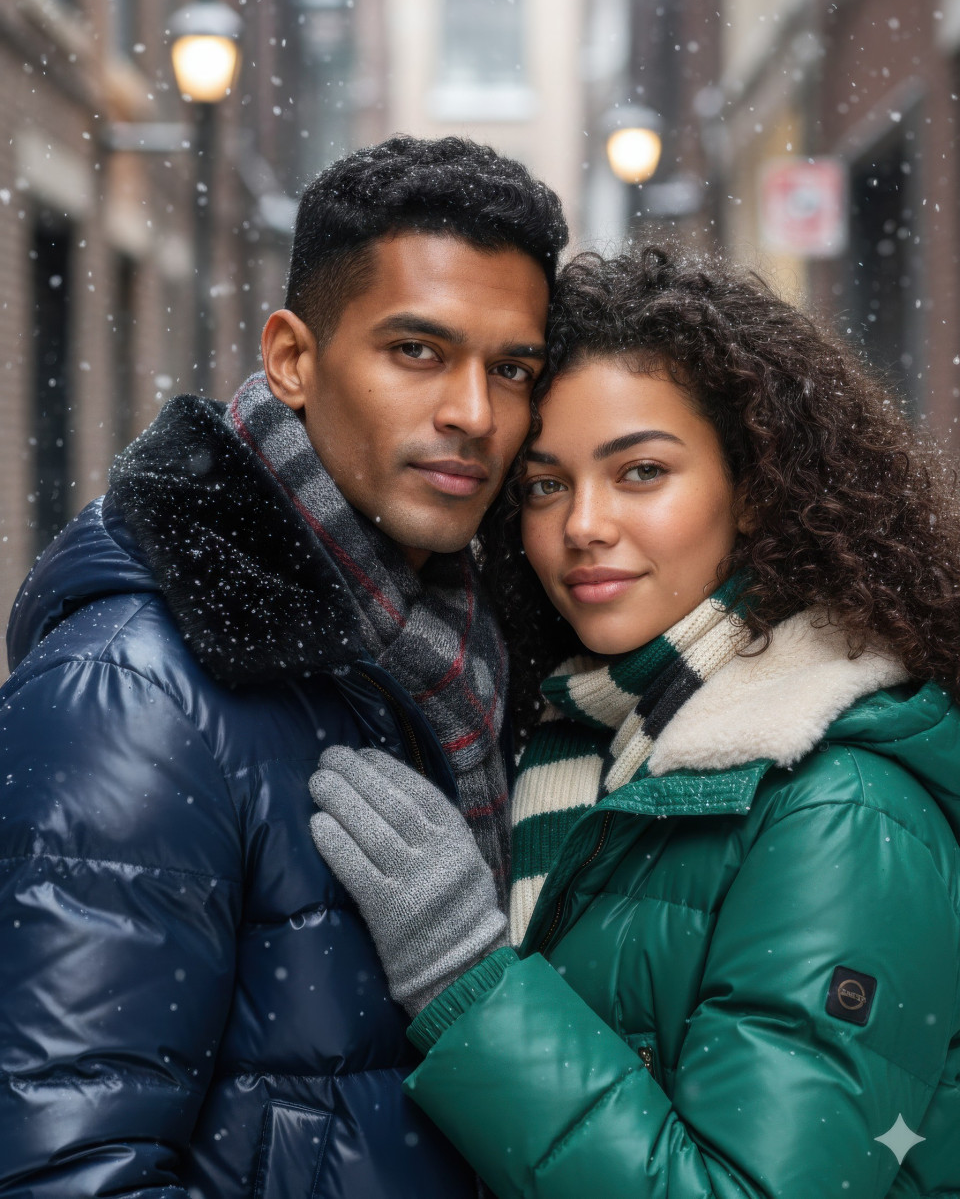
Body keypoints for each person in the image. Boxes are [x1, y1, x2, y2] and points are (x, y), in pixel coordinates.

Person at [311, 246, 960, 1198]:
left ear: (753, 492)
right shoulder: (587, 745)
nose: (583, 524)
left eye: (641, 472)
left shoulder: (844, 813)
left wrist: (468, 983)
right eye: (543, 484)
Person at [0, 135, 567, 1197]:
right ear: (294, 359)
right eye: (417, 351)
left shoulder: (461, 654)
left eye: (512, 369)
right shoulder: (132, 694)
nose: (474, 414)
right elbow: (64, 1172)